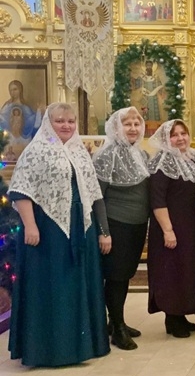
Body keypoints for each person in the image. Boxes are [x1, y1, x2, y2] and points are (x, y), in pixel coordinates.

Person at [8, 103, 110, 366]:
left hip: (80, 226)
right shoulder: (36, 151)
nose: (66, 125)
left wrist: (102, 231)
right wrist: (30, 225)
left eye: (70, 121)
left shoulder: (79, 151)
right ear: (48, 123)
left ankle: (81, 347)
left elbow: (93, 193)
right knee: (54, 286)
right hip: (47, 231)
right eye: (60, 121)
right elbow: (21, 190)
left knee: (77, 285)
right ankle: (49, 350)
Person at [92, 107, 150, 351]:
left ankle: (116, 321)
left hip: (137, 225)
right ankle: (118, 329)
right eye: (127, 124)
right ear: (116, 127)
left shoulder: (141, 154)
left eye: (137, 124)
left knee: (124, 275)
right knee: (116, 277)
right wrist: (104, 232)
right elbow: (97, 197)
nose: (133, 128)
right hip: (116, 225)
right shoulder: (107, 155)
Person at [146, 119, 195, 338]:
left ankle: (180, 315)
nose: (180, 138)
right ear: (166, 139)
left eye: (183, 133)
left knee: (186, 270)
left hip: (190, 226)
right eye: (174, 135)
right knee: (171, 272)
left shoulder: (192, 157)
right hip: (170, 226)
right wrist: (168, 230)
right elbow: (157, 199)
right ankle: (172, 317)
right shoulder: (163, 161)